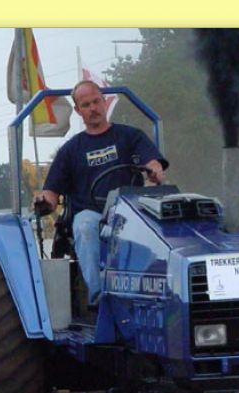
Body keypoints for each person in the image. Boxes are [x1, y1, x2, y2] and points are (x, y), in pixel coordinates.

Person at [33, 80, 168, 305]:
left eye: (96, 101)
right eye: (86, 105)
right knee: (84, 225)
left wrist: (154, 170)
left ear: (104, 102)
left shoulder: (131, 136)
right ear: (78, 110)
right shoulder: (70, 151)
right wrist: (43, 202)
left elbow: (152, 162)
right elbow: (51, 193)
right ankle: (100, 299)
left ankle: (164, 293)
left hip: (133, 213)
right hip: (94, 216)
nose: (93, 108)